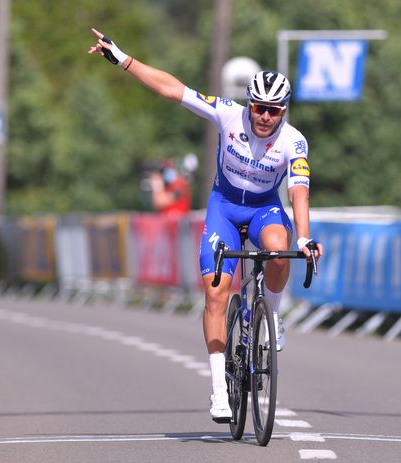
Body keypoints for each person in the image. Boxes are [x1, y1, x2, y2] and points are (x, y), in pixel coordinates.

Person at [88, 28, 323, 423]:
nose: (265, 116)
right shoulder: (227, 113)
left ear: (285, 110)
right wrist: (123, 59)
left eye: (274, 110)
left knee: (281, 248)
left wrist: (304, 238)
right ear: (249, 104)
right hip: (224, 208)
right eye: (259, 107)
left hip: (266, 208)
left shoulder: (294, 142)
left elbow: (299, 192)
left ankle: (274, 316)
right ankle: (218, 390)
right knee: (217, 291)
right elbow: (172, 89)